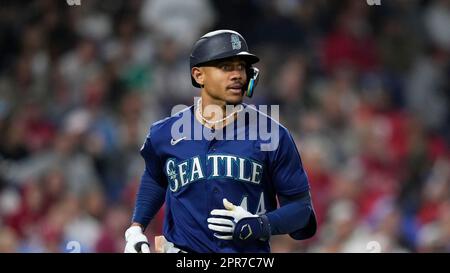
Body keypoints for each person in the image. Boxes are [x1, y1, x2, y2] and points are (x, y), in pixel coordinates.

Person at [124, 30, 317, 253]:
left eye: (242, 67)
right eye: (226, 67)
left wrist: (260, 224)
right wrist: (136, 228)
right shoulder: (165, 133)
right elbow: (155, 178)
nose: (237, 75)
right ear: (198, 75)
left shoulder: (272, 134)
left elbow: (301, 210)